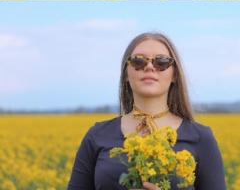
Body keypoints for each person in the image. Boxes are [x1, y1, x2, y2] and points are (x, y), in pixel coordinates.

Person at [68, 33, 226, 189]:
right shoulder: (97, 136)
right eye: (138, 61)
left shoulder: (201, 138)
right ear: (126, 74)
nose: (150, 67)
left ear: (174, 75)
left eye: (162, 61)